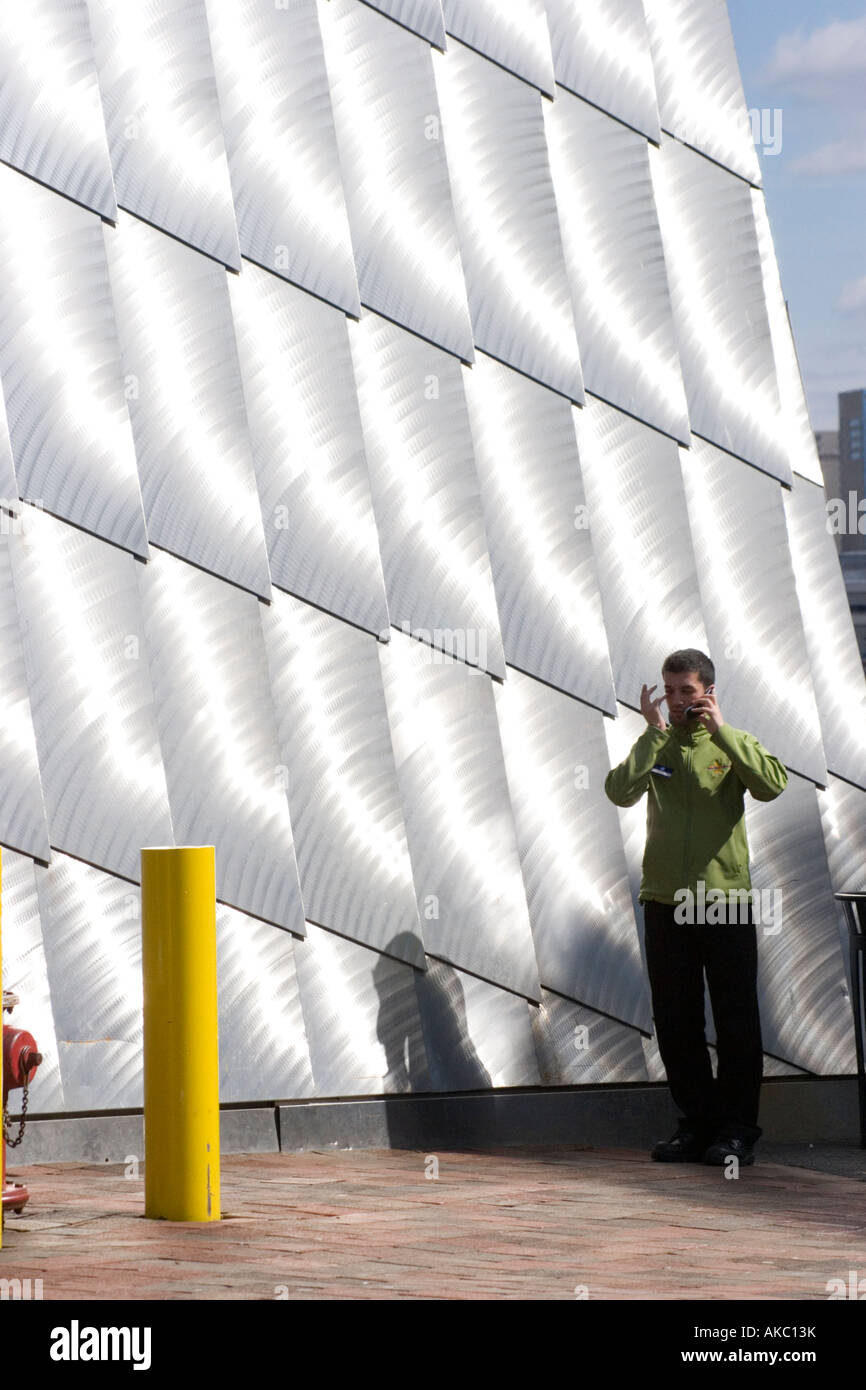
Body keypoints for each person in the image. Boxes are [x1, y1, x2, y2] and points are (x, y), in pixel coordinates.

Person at [604, 649, 787, 1166]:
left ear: (708, 691)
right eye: (671, 689)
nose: (679, 700)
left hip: (724, 901)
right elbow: (618, 792)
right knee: (676, 1019)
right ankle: (697, 1124)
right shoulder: (659, 744)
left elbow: (772, 785)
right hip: (666, 900)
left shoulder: (732, 743)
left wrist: (723, 730)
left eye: (688, 690)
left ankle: (736, 1130)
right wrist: (653, 733)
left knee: (735, 1020)